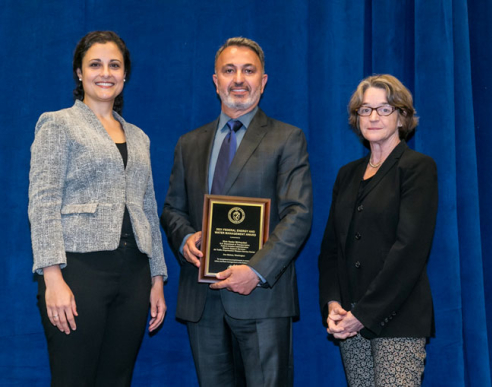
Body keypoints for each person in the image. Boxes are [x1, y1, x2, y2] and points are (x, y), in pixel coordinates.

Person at [161, 37, 312, 387]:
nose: (239, 79)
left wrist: (256, 271)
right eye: (229, 71)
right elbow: (172, 209)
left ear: (263, 80)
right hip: (203, 301)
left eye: (249, 70)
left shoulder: (287, 139)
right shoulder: (189, 143)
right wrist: (183, 238)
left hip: (262, 299)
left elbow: (298, 214)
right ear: (216, 81)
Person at [28, 31, 167, 387]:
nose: (105, 73)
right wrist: (52, 277)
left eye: (114, 65)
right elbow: (43, 203)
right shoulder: (58, 124)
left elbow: (148, 209)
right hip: (78, 271)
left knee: (117, 379)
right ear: (79, 72)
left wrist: (156, 278)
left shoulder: (139, 137)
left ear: (125, 75)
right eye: (95, 64)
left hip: (135, 274)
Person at [318, 74, 438, 386]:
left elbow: (409, 250)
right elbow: (331, 250)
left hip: (398, 319)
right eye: (365, 109)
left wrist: (363, 315)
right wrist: (333, 305)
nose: (373, 117)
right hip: (349, 320)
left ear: (402, 117)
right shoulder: (347, 175)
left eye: (384, 109)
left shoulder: (417, 168)